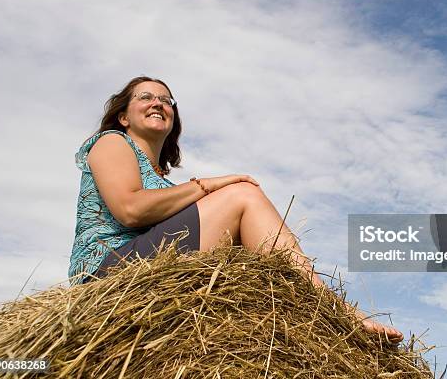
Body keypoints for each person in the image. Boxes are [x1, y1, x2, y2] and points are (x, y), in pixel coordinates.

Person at [69, 76, 403, 342]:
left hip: (147, 271)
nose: (157, 102)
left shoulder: (167, 185)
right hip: (106, 278)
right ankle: (332, 306)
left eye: (166, 100)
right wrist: (209, 185)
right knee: (242, 195)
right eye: (145, 96)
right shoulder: (112, 142)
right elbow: (131, 210)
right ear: (124, 116)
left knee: (248, 223)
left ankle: (304, 311)